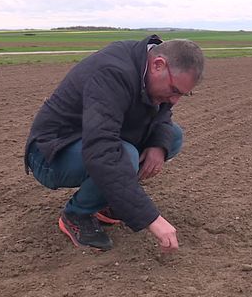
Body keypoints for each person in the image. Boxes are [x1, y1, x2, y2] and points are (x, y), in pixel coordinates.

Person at [24, 34, 204, 252]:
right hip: (51, 153)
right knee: (123, 156)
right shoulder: (112, 73)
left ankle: (105, 201)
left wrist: (158, 145)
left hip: (90, 138)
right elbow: (102, 151)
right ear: (158, 65)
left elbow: (163, 114)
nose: (175, 100)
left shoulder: (148, 71)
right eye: (175, 90)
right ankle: (77, 214)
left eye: (183, 94)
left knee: (171, 137)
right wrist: (151, 219)